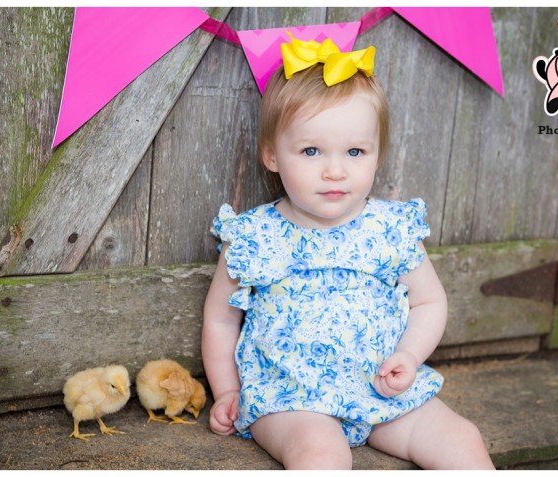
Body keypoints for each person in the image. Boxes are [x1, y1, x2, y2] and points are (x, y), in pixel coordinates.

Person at [201, 36, 494, 470]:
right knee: (321, 455)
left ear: (377, 156)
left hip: (379, 389)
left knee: (462, 439)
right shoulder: (255, 235)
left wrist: (409, 356)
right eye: (311, 151)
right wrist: (226, 390)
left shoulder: (390, 229)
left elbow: (429, 300)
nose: (335, 170)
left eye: (355, 152)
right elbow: (221, 319)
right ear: (272, 155)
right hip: (291, 398)